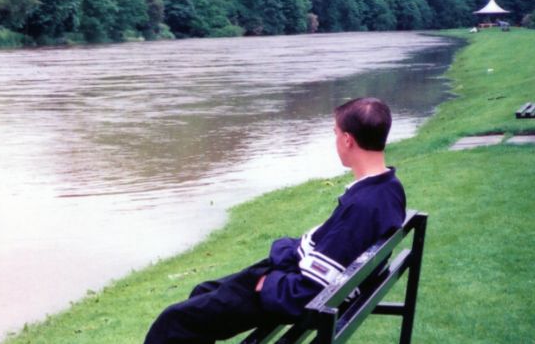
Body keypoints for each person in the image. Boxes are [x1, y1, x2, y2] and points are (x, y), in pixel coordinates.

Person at [144, 97, 407, 344]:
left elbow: (313, 288)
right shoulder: (388, 187)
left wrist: (267, 284)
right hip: (304, 279)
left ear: (348, 140)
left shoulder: (362, 206)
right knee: (202, 292)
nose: (335, 140)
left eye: (335, 133)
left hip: (291, 296)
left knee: (173, 321)